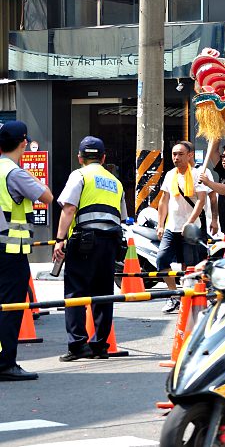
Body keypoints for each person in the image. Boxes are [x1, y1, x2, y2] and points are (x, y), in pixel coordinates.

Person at [53, 136, 127, 361]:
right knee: (103, 294)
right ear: (103, 158)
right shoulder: (115, 182)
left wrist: (59, 239)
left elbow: (68, 209)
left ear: (80, 158)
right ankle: (100, 346)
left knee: (75, 292)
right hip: (110, 242)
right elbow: (122, 217)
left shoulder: (79, 175)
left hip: (85, 241)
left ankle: (77, 345)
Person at [0, 121, 54, 381]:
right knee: (11, 306)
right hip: (9, 250)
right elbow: (47, 196)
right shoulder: (15, 172)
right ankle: (5, 363)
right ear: (23, 143)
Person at [157, 141, 211, 313]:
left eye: (180, 154)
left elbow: (202, 200)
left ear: (190, 155)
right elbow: (164, 201)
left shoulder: (197, 174)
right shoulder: (170, 175)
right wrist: (160, 225)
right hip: (171, 227)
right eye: (174, 154)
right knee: (161, 260)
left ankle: (187, 298)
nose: (176, 157)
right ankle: (173, 295)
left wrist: (190, 222)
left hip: (191, 229)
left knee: (188, 265)